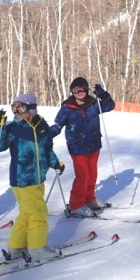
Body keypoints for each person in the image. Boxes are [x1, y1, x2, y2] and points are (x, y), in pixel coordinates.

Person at [0, 93, 65, 262]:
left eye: (20, 108)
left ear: (31, 109)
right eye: (14, 108)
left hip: (38, 178)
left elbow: (47, 149)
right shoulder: (13, 128)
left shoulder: (42, 126)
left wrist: (55, 163)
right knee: (38, 213)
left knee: (26, 214)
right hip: (22, 179)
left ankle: (16, 248)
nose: (16, 112)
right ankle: (38, 249)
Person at [51, 78, 115, 217]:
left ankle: (89, 198)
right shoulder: (67, 107)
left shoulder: (93, 104)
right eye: (76, 90)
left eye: (82, 88)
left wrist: (102, 94)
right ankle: (75, 205)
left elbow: (110, 105)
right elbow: (58, 124)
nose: (79, 92)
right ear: (72, 91)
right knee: (83, 175)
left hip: (93, 144)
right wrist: (48, 134)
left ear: (86, 89)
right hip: (77, 146)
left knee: (92, 174)